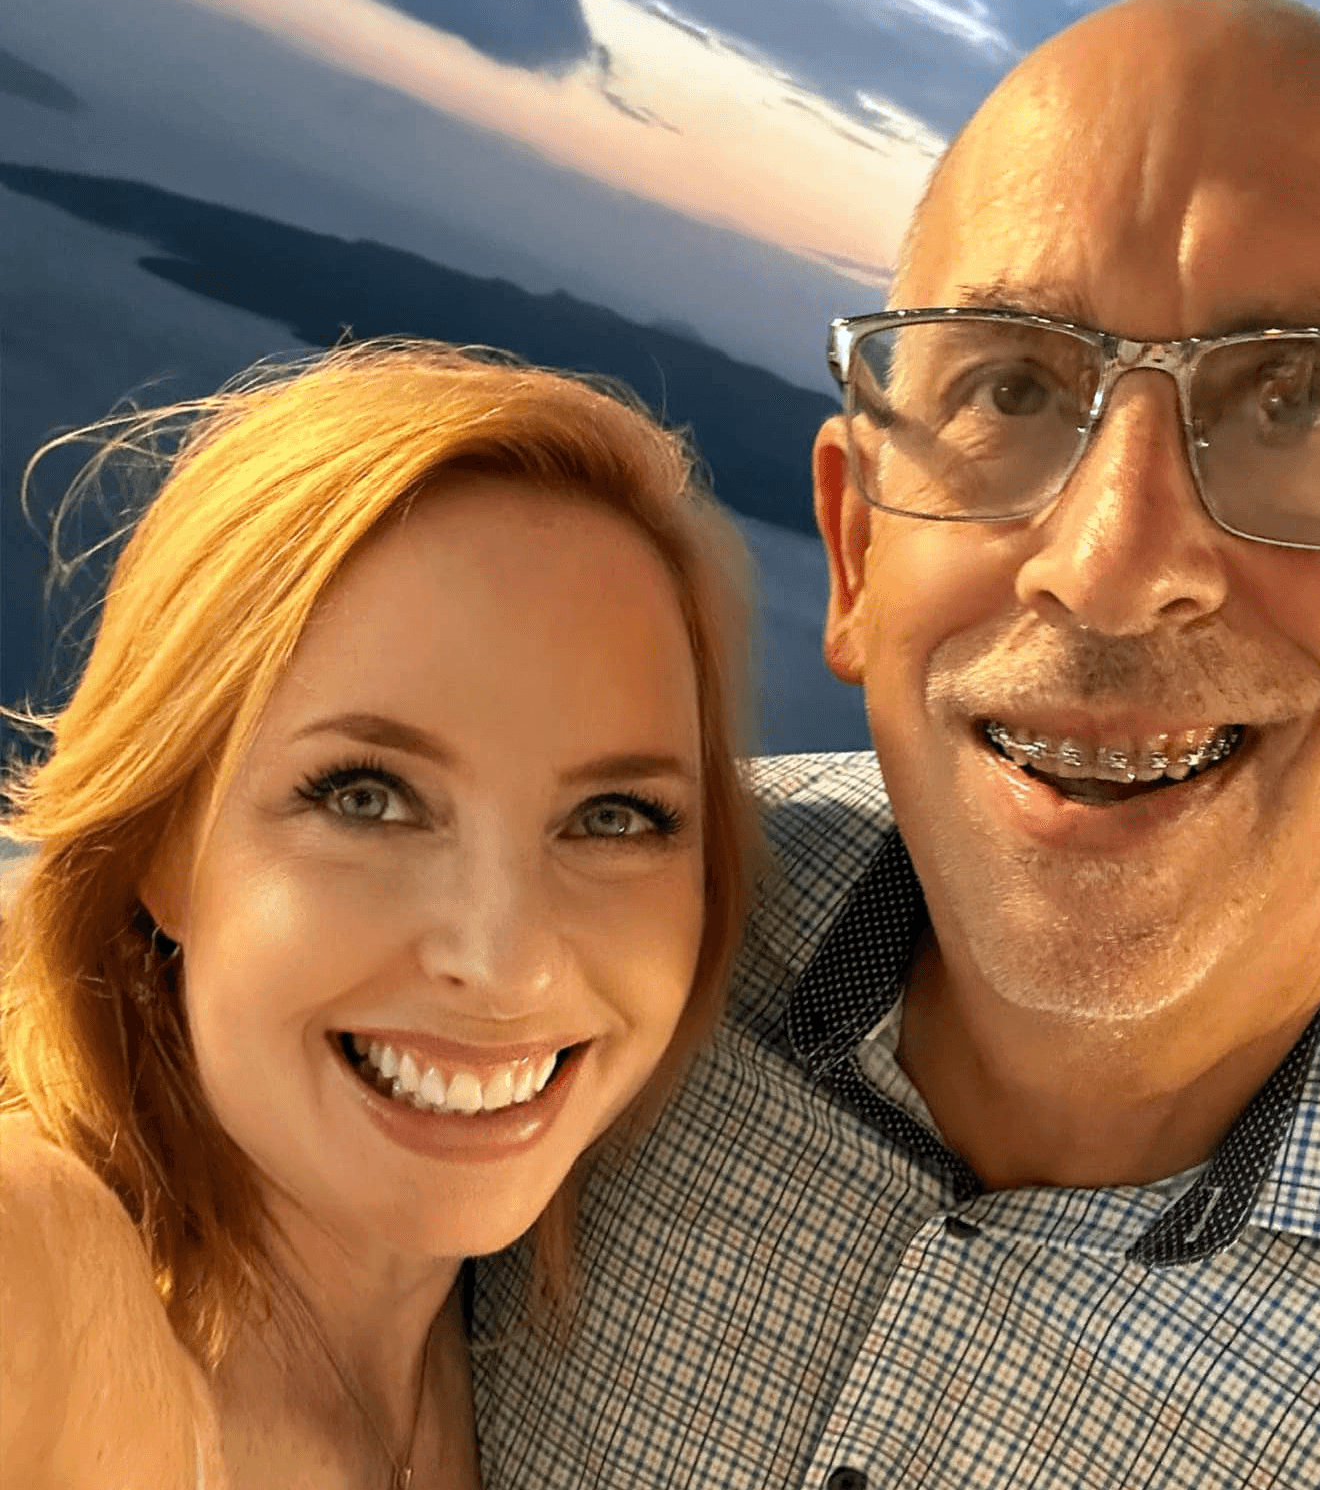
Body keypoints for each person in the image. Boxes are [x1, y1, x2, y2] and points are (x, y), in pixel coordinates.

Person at [471, 0, 1320, 1488]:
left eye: (1300, 406)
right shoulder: (569, 959)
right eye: (1015, 387)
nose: (1110, 561)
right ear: (852, 553)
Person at [0, 342, 759, 1487]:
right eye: (367, 798)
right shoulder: (34, 1286)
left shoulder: (509, 1364)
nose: (503, 965)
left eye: (613, 817)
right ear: (158, 846)